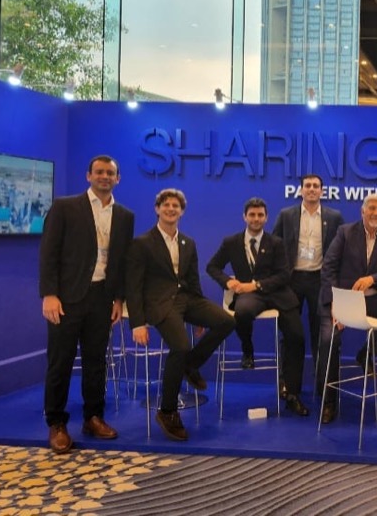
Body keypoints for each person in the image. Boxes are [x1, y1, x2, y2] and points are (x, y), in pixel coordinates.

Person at [39, 155, 134, 454]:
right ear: (88, 175)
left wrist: (119, 298)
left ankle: (93, 417)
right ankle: (56, 423)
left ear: (118, 178)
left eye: (110, 173)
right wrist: (49, 293)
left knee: (96, 361)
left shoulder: (125, 216)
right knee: (60, 362)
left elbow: (122, 261)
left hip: (102, 298)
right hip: (66, 298)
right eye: (99, 172)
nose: (105, 177)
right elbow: (49, 252)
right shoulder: (65, 207)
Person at [125, 189, 235, 441]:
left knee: (226, 321)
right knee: (181, 346)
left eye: (176, 206)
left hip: (187, 299)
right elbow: (133, 285)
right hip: (159, 304)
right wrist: (137, 323)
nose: (171, 209)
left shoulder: (188, 242)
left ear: (182, 211)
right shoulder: (142, 243)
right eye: (166, 205)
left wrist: (199, 317)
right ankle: (167, 411)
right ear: (157, 209)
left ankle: (191, 364)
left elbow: (193, 280)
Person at [206, 198, 310, 416]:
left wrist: (256, 285)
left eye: (260, 215)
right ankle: (247, 348)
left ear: (266, 218)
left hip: (278, 294)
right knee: (242, 312)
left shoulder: (276, 243)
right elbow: (212, 267)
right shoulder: (231, 242)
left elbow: (284, 275)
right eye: (252, 215)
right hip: (249, 297)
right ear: (244, 217)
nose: (256, 219)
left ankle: (292, 394)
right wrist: (228, 282)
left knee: (297, 337)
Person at [317, 193, 377, 424]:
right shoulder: (345, 232)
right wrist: (335, 303)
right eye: (371, 208)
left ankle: (366, 354)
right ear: (362, 211)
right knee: (328, 340)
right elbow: (328, 268)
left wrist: (373, 278)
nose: (375, 213)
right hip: (342, 299)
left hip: (373, 299)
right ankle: (329, 402)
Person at [271, 174, 344, 367]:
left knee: (319, 332)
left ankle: (320, 378)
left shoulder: (334, 217)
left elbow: (341, 250)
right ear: (301, 190)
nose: (312, 189)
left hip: (320, 280)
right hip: (292, 279)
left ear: (322, 191)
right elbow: (274, 246)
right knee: (289, 331)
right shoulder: (286, 215)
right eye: (308, 185)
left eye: (316, 186)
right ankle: (287, 379)